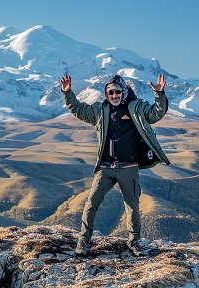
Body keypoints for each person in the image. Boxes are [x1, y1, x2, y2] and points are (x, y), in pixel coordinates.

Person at [60, 74, 170, 256]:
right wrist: (67, 93)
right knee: (91, 203)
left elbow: (156, 113)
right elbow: (78, 109)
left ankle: (134, 242)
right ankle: (84, 241)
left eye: (117, 92)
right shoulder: (99, 110)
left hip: (128, 167)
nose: (114, 95)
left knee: (132, 206)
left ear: (124, 92)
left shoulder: (136, 108)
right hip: (105, 167)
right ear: (106, 94)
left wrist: (159, 95)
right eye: (110, 92)